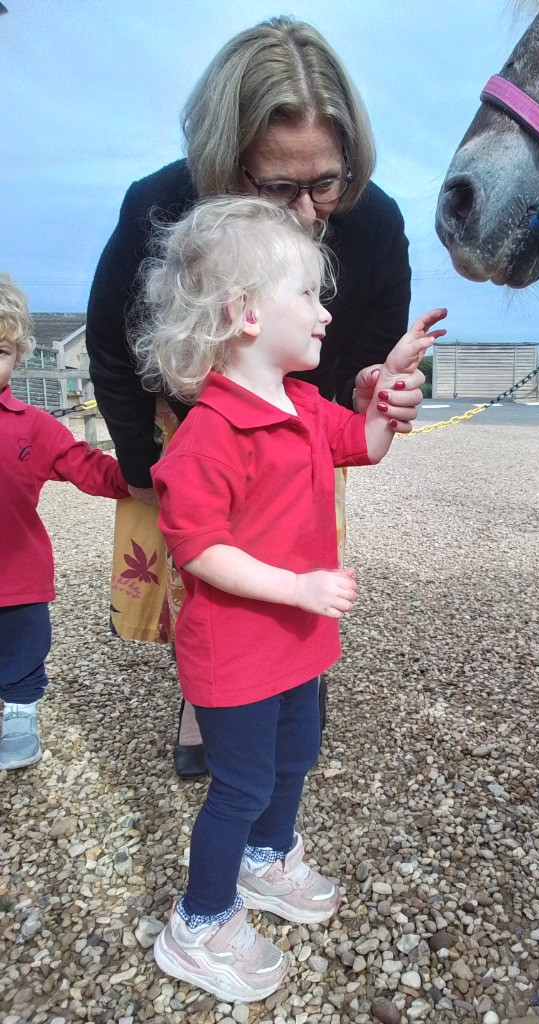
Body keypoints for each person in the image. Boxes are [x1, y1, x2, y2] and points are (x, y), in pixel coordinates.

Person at [86, 16, 417, 779]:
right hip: (192, 425)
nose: (305, 210)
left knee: (290, 556)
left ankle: (293, 677)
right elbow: (110, 339)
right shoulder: (157, 204)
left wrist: (369, 389)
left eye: (326, 181)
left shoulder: (376, 222)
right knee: (207, 569)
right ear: (221, 162)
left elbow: (363, 354)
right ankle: (207, 695)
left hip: (301, 431)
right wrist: (140, 461)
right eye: (277, 185)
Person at [135, 195, 445, 1002]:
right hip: (236, 652)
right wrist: (298, 584)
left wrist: (392, 380)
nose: (324, 310)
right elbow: (197, 549)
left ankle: (269, 860)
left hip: (298, 645)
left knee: (296, 756)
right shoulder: (207, 433)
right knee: (238, 783)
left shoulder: (304, 406)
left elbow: (368, 445)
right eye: (306, 294)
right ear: (244, 315)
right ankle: (199, 922)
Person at [0, 273, 129, 771]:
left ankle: (18, 713)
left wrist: (141, 475)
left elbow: (88, 467)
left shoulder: (33, 426)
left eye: (2, 350)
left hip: (17, 574)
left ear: (19, 356)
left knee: (22, 645)